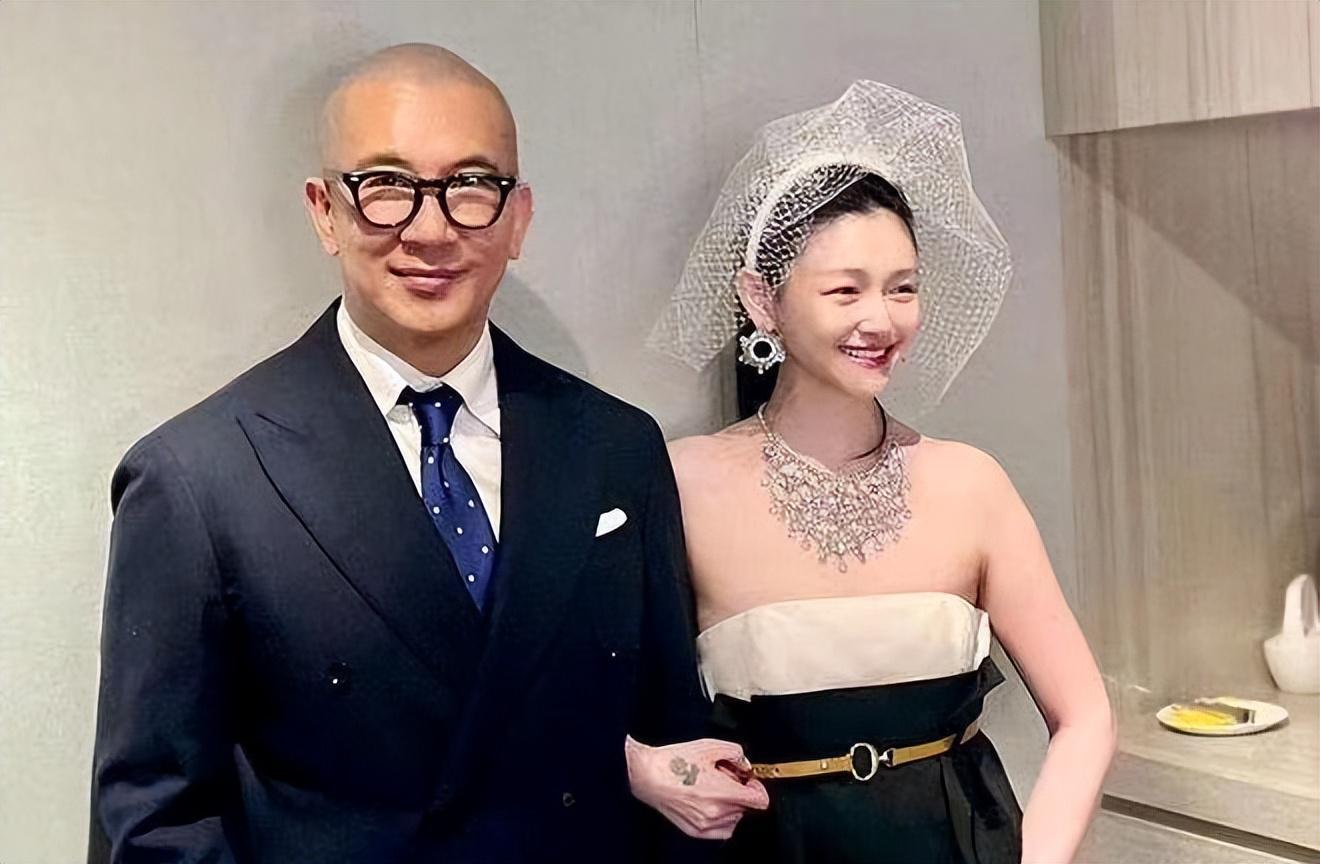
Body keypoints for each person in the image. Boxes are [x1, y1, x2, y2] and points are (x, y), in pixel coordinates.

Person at [90, 43, 763, 863]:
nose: (431, 229)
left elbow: (674, 743)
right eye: (386, 186)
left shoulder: (614, 448)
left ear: (518, 218)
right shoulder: (200, 478)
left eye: (471, 186)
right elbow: (155, 823)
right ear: (324, 210)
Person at [652, 81, 1115, 863]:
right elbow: (595, 711)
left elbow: (1087, 715)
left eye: (903, 289)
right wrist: (653, 773)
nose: (881, 319)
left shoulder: (970, 485)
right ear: (762, 299)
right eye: (846, 290)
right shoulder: (683, 483)